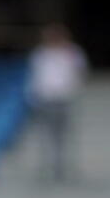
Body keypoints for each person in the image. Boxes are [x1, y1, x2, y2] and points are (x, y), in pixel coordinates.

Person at [27, 23, 88, 183]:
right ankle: (46, 167)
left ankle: (60, 168)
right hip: (44, 98)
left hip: (63, 98)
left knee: (62, 135)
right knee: (44, 135)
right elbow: (36, 76)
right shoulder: (40, 54)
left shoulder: (72, 52)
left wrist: (73, 89)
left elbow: (80, 71)